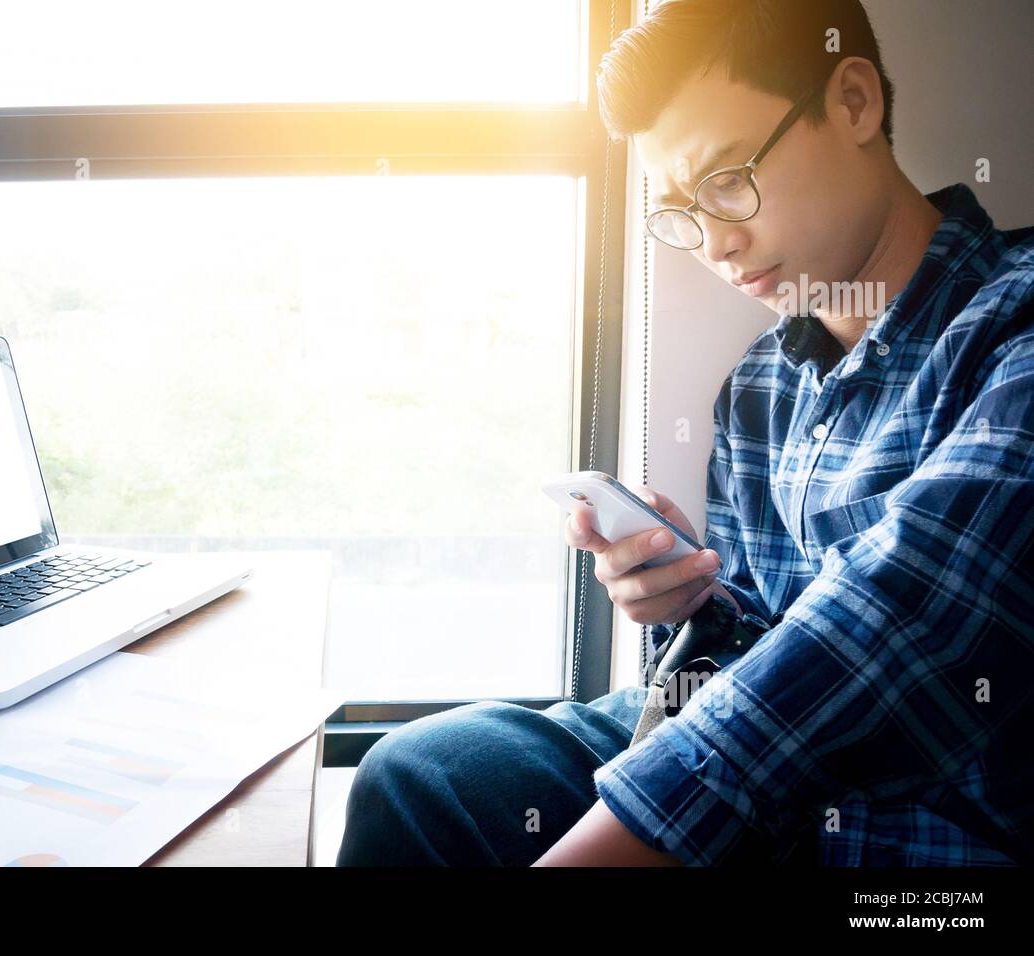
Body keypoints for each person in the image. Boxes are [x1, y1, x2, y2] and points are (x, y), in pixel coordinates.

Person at [336, 0, 1034, 866]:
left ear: (854, 102)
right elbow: (756, 640)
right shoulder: (761, 387)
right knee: (422, 776)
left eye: (726, 182)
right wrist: (689, 600)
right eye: (679, 213)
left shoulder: (1015, 321)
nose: (714, 242)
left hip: (930, 835)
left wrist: (611, 841)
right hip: (756, 778)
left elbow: (904, 627)